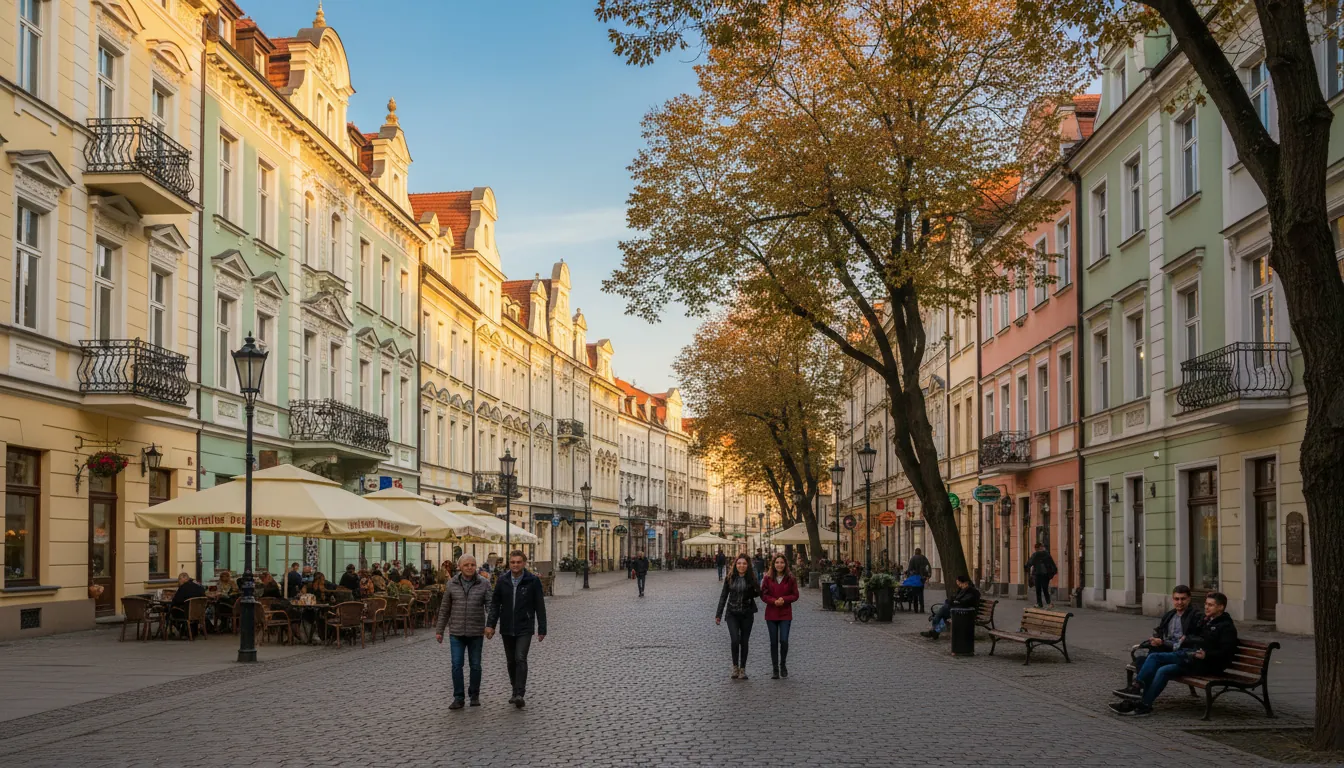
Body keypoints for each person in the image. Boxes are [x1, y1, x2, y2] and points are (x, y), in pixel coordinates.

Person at [1110, 592, 1239, 716]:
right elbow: (1197, 639)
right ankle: (1139, 702)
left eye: (1210, 605)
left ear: (1221, 607)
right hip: (1191, 658)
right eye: (1206, 604)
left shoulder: (1226, 627)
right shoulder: (1207, 621)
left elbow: (1226, 653)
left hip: (1206, 665)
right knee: (1159, 667)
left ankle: (1137, 692)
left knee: (1155, 659)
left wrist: (1206, 655)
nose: (1206, 607)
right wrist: (1186, 640)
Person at [487, 550, 547, 709]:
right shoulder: (502, 581)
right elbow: (495, 604)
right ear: (509, 563)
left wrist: (542, 628)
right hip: (507, 626)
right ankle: (514, 689)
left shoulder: (532, 581)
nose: (515, 565)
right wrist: (490, 625)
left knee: (520, 657)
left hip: (524, 626)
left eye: (518, 562)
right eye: (513, 562)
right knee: (511, 661)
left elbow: (540, 605)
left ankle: (520, 693)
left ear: (524, 563)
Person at [435, 555, 494, 709]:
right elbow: (444, 609)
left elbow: (490, 607)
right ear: (459, 567)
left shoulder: (484, 583)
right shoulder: (452, 584)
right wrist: (439, 630)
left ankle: (474, 695)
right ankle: (458, 697)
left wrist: (490, 625)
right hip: (456, 632)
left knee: (475, 665)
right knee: (456, 665)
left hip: (476, 632)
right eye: (466, 565)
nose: (469, 567)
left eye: (472, 564)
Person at [715, 554, 761, 680]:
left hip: (747, 614)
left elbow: (759, 593)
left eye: (744, 563)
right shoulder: (730, 578)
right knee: (735, 640)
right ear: (735, 565)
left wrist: (755, 588)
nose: (741, 566)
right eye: (739, 563)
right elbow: (723, 596)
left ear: (748, 566)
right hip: (732, 613)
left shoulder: (751, 578)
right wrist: (718, 614)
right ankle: (735, 666)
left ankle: (742, 669)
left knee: (744, 641)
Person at [759, 554, 799, 679]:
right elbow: (763, 595)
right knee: (773, 642)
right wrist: (773, 601)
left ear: (785, 564)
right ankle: (775, 668)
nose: (779, 565)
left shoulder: (791, 578)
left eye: (782, 562)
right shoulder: (767, 578)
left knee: (784, 640)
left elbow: (795, 595)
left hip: (785, 613)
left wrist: (784, 599)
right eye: (777, 562)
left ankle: (783, 664)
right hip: (771, 613)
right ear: (773, 564)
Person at [921, 574, 980, 641]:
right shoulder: (962, 589)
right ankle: (935, 631)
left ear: (965, 582)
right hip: (958, 610)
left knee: (941, 613)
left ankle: (935, 631)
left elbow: (964, 602)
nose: (958, 584)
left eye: (959, 583)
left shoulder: (972, 591)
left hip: (965, 612)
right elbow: (956, 599)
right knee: (942, 614)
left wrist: (953, 602)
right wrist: (952, 601)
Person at [1024, 542, 1058, 609]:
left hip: (1038, 574)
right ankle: (1049, 603)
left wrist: (1026, 568)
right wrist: (1052, 573)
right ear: (1041, 547)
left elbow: (1029, 563)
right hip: (1046, 575)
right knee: (1045, 589)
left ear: (1037, 548)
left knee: (1038, 589)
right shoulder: (1047, 554)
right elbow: (1052, 564)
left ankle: (1040, 603)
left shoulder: (1036, 554)